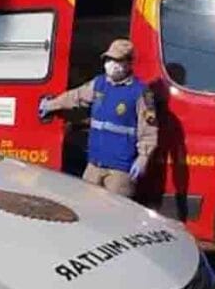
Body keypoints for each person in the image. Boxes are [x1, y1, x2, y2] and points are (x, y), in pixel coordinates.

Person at [39, 39, 157, 198]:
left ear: (129, 63)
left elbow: (149, 130)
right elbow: (76, 97)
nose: (111, 64)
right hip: (94, 165)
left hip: (120, 170)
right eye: (109, 59)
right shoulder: (99, 84)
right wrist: (51, 105)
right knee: (87, 207)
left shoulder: (141, 92)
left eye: (117, 60)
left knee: (115, 210)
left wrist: (143, 157)